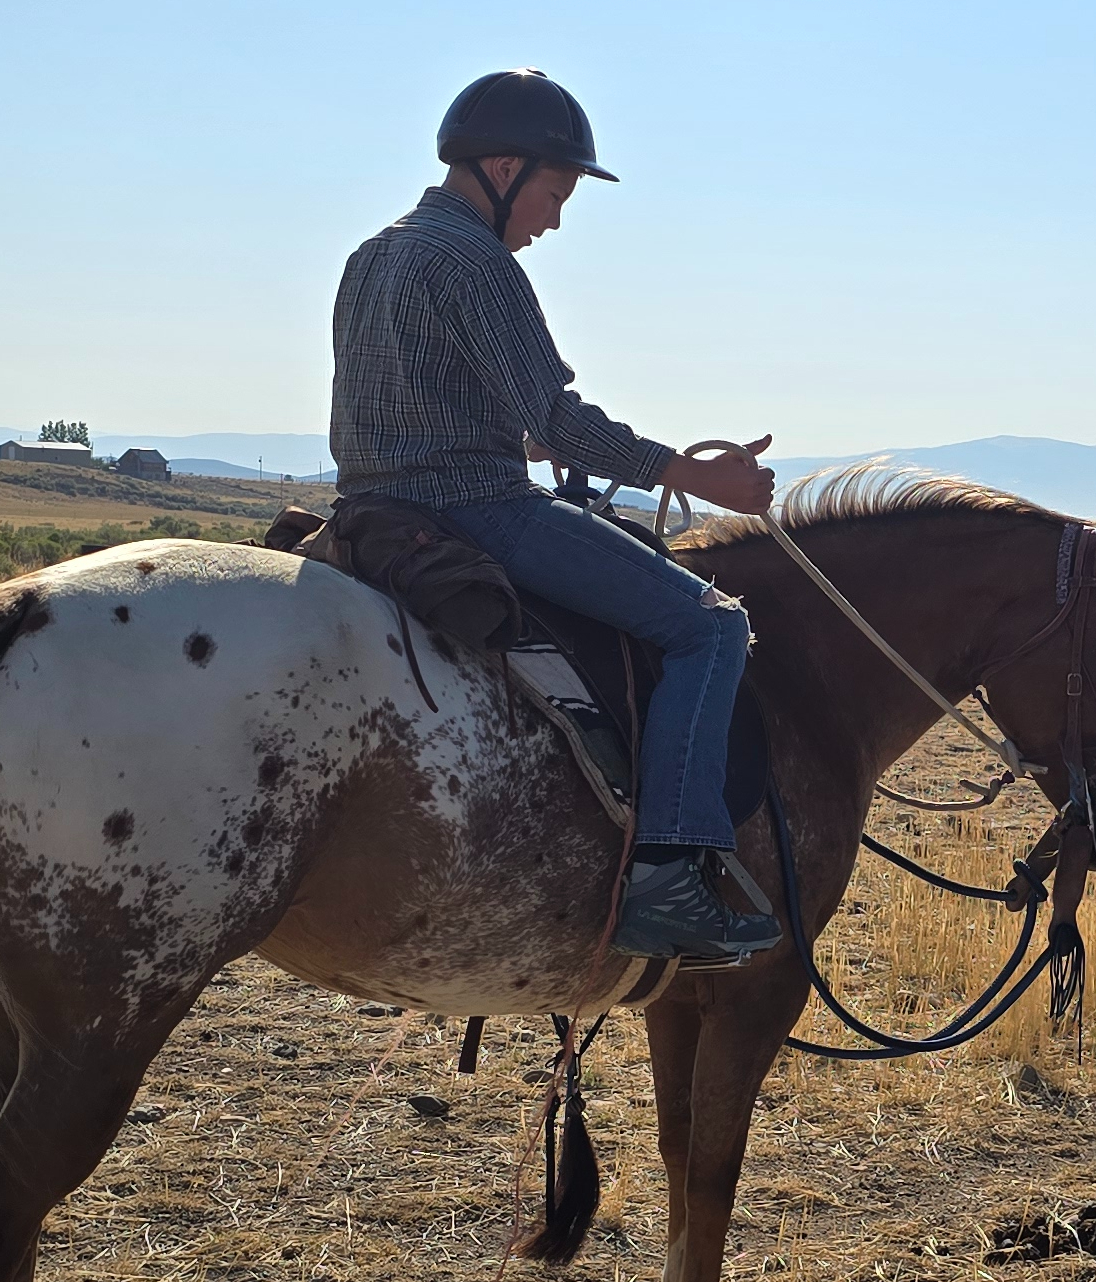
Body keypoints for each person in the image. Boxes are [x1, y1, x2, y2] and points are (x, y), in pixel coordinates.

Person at [330, 67, 781, 964]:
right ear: (501, 167)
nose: (554, 218)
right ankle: (664, 876)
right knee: (710, 627)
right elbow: (559, 419)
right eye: (554, 190)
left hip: (367, 511)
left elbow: (408, 408)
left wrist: (501, 434)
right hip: (477, 510)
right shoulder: (475, 262)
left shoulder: (371, 254)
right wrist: (683, 472)